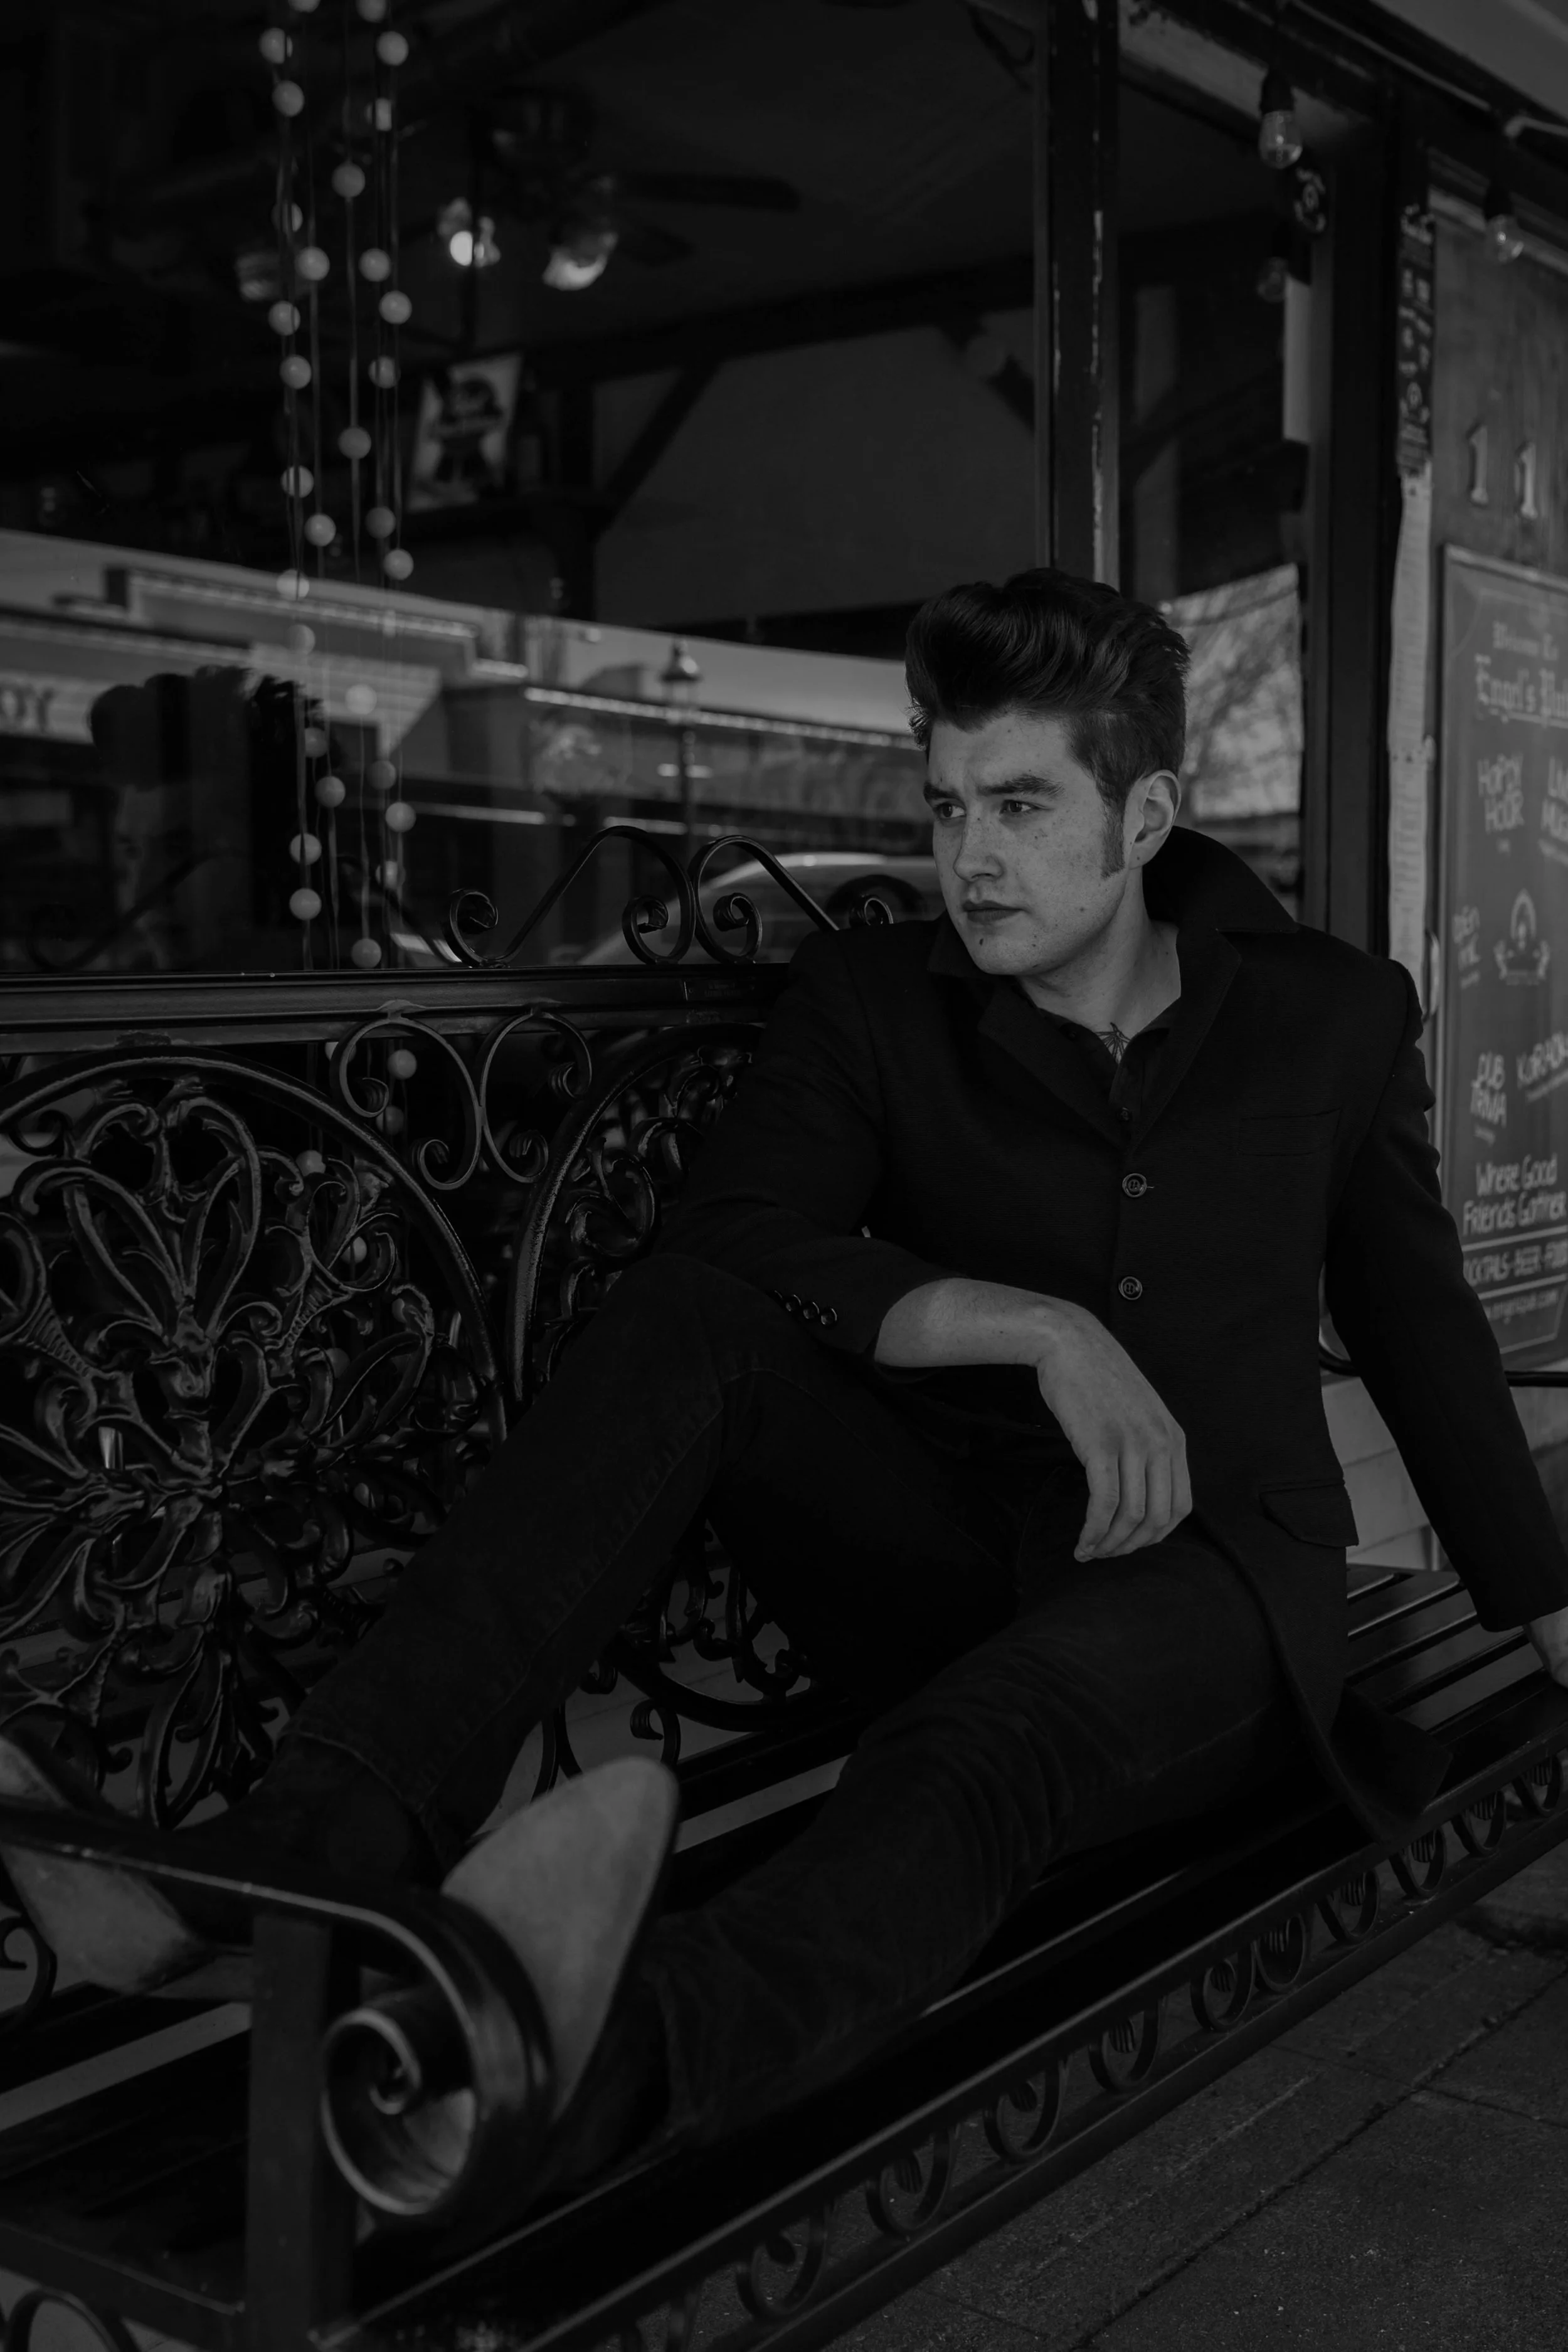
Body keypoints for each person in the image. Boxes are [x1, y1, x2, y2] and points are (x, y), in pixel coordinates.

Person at [7, 567, 1568, 2208]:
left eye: (1022, 805)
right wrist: (1027, 1322)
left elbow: (1418, 1325)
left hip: (1215, 1599)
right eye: (946, 801)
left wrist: (1546, 1613)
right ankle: (296, 1868)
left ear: (1146, 811)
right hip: (948, 1549)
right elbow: (736, 1236)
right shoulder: (879, 997)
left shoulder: (1323, 1015)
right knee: (692, 1320)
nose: (968, 853)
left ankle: (574, 2072)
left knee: (978, 1747)